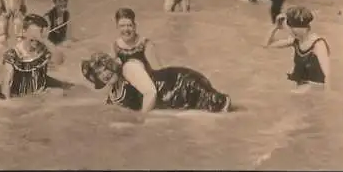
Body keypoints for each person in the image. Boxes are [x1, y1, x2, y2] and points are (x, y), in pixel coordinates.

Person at [81, 52, 232, 113]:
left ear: (111, 65)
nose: (104, 74)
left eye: (105, 69)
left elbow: (150, 93)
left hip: (182, 85)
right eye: (99, 74)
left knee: (221, 108)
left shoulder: (128, 69)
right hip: (173, 96)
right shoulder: (114, 91)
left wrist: (141, 121)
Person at [1, 14, 70, 100]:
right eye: (32, 38)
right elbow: (7, 84)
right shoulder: (13, 55)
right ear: (23, 32)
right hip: (21, 97)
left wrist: (44, 40)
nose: (36, 41)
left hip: (41, 94)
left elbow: (59, 60)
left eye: (39, 37)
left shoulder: (42, 50)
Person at [264, 6, 331, 90]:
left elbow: (327, 76)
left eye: (292, 28)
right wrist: (275, 27)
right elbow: (268, 46)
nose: (290, 30)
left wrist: (326, 96)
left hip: (312, 85)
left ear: (303, 28)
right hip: (300, 83)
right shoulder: (295, 41)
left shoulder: (318, 44)